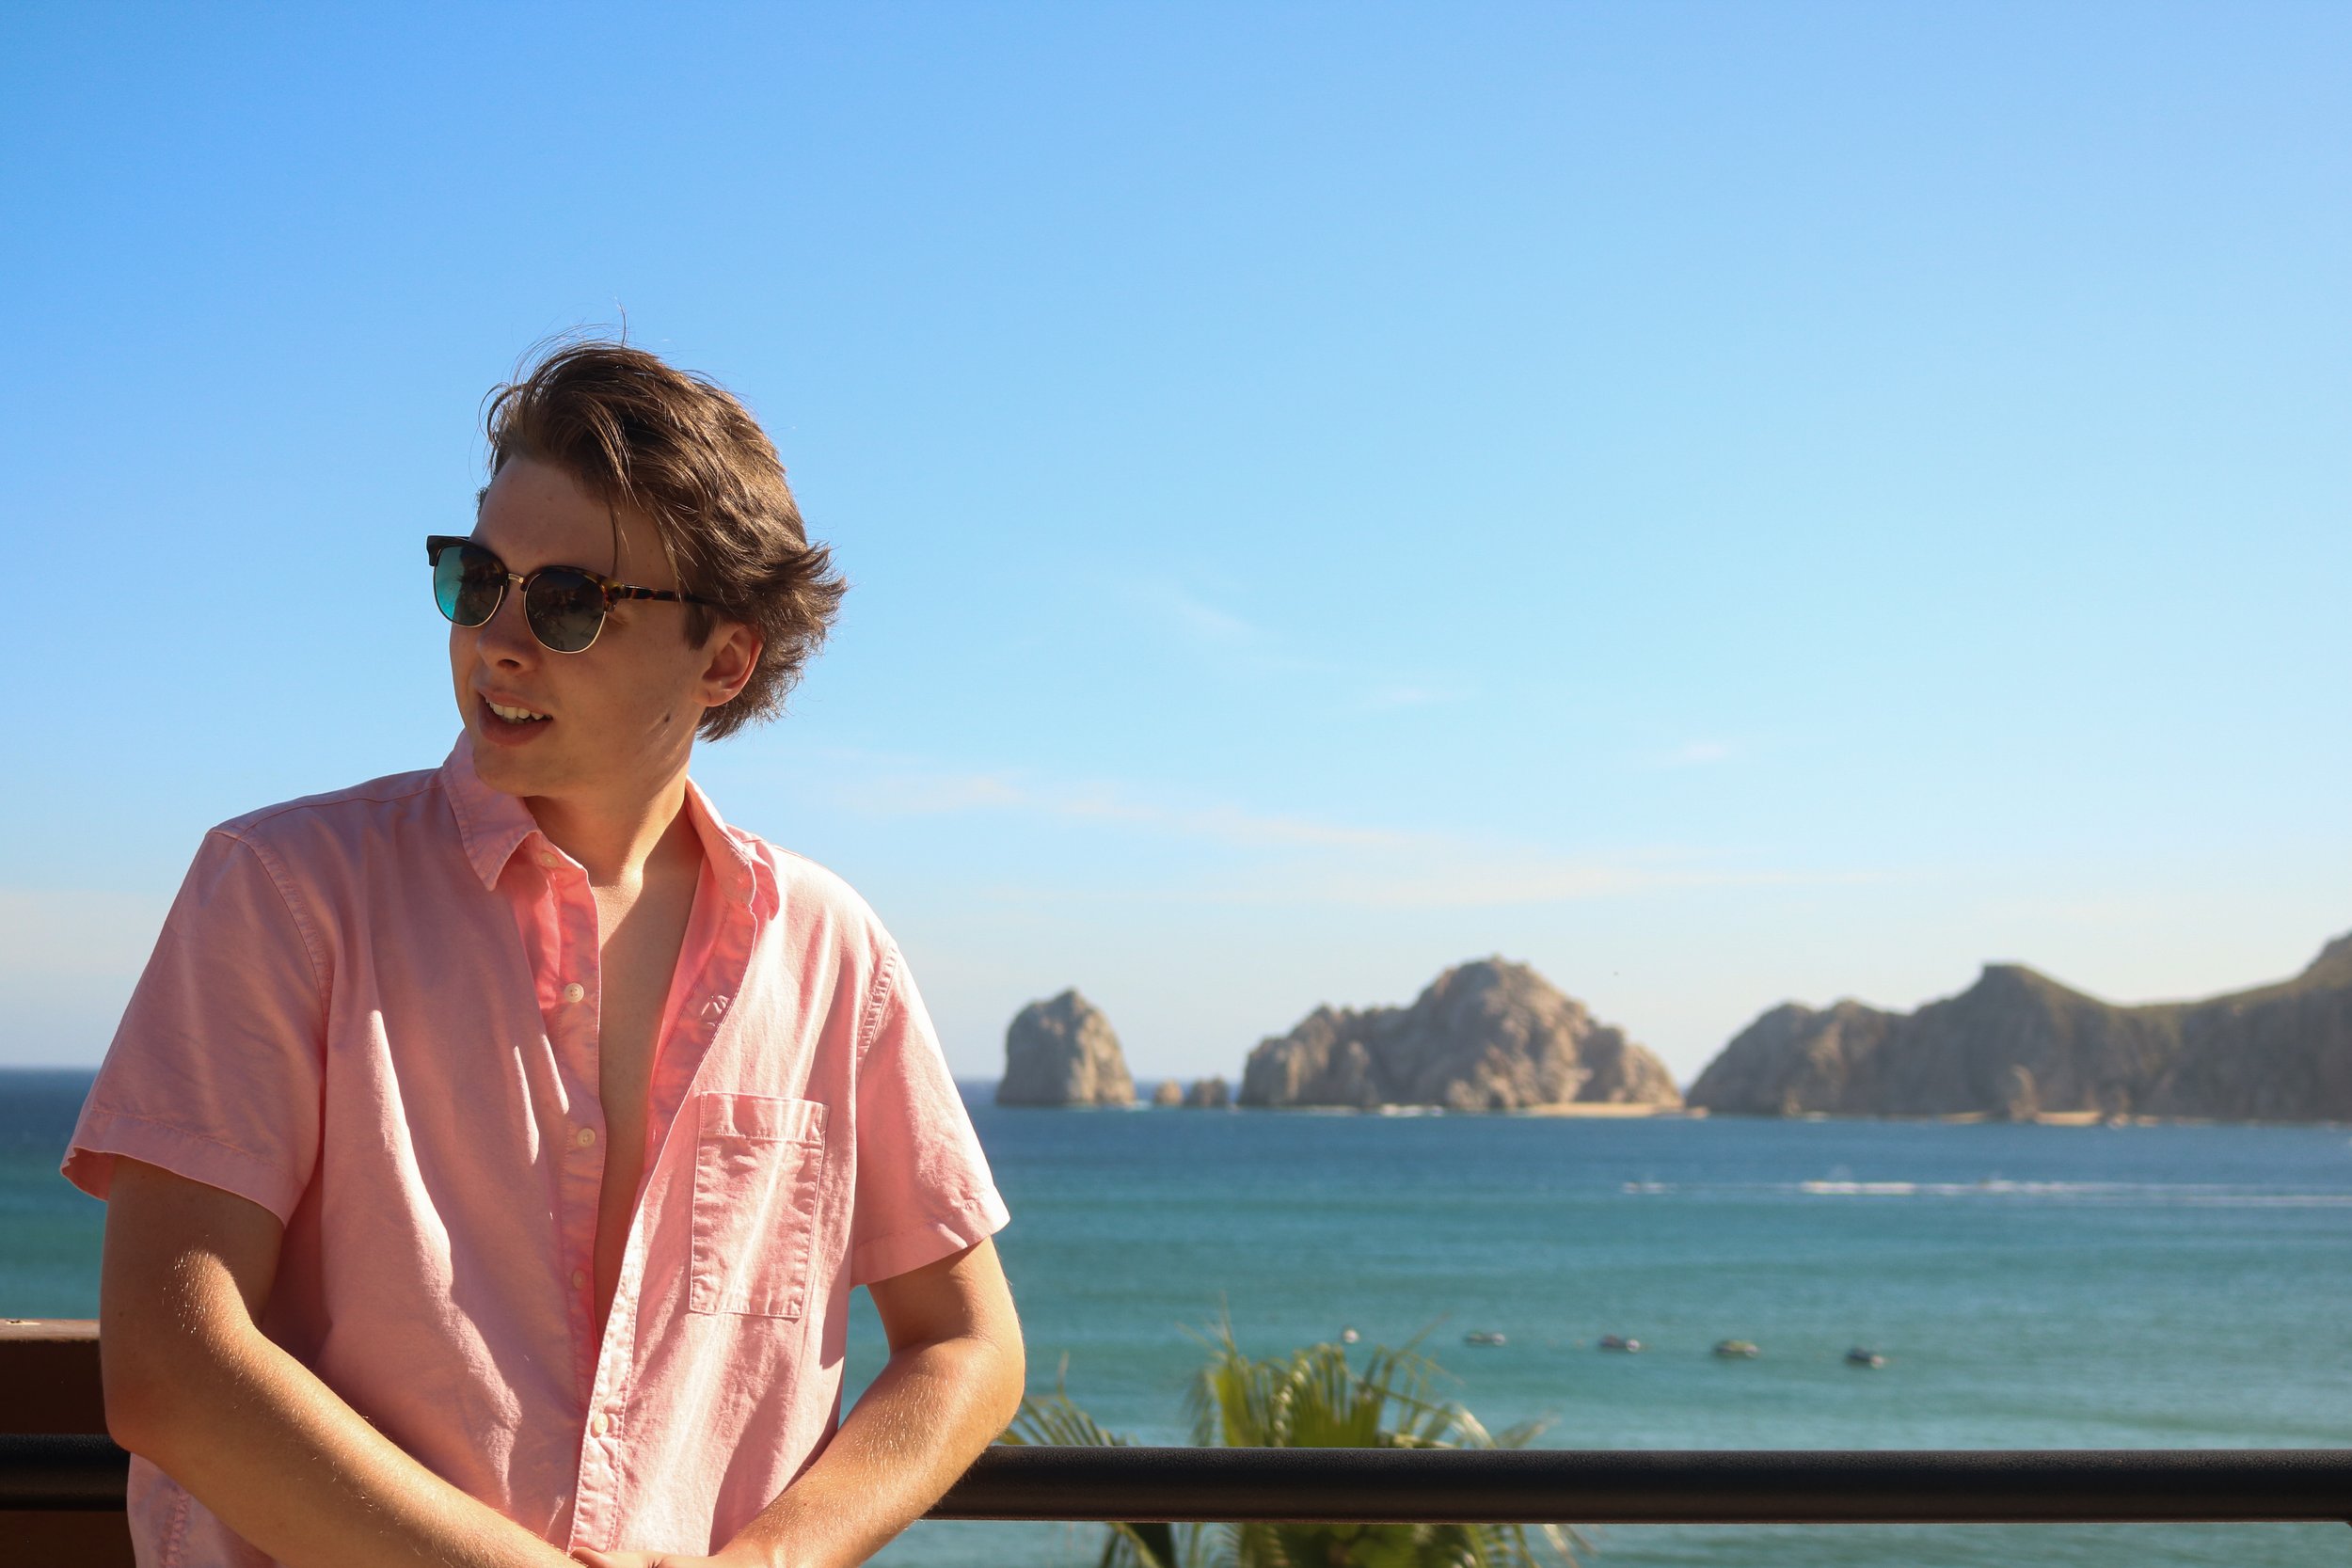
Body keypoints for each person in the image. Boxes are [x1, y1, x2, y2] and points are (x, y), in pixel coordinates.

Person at [63, 341, 1024, 1568]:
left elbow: (967, 1342)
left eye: (568, 601)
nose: (498, 640)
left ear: (723, 658)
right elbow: (169, 1365)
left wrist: (773, 1560)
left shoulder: (832, 951)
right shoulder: (280, 891)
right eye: (476, 579)